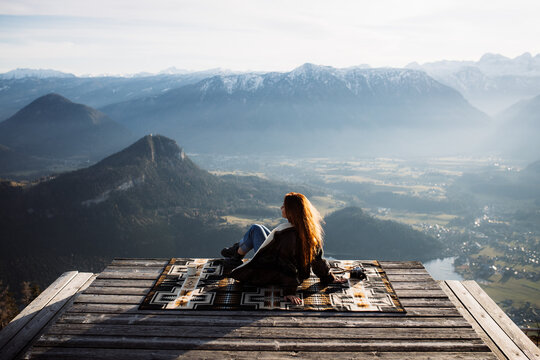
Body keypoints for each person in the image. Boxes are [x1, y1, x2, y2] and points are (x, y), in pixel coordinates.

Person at [220, 192, 346, 304]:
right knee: (259, 228)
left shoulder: (287, 236)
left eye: (284, 206)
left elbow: (286, 264)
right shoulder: (310, 231)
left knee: (255, 229)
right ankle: (235, 252)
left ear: (292, 211)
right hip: (286, 271)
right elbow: (318, 259)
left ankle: (236, 254)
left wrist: (289, 291)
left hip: (272, 272)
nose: (281, 208)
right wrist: (328, 277)